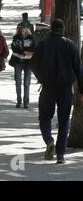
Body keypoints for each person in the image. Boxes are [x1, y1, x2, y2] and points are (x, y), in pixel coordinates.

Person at [31, 19, 83, 164]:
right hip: (65, 88)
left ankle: (49, 140)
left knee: (45, 118)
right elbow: (78, 68)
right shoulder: (70, 45)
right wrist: (81, 90)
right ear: (63, 29)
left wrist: (41, 77)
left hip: (48, 87)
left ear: (51, 29)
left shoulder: (43, 44)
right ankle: (60, 155)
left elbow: (33, 64)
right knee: (64, 120)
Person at [10, 26, 35, 109]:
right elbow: (14, 48)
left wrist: (27, 51)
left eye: (24, 28)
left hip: (28, 62)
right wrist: (24, 51)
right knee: (18, 82)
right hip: (18, 62)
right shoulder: (16, 37)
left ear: (27, 29)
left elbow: (33, 48)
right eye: (21, 28)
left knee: (27, 83)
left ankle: (26, 102)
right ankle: (19, 101)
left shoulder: (31, 38)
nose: (22, 30)